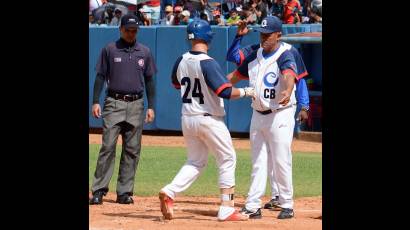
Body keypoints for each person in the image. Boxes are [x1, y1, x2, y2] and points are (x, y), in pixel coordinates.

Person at [158, 19, 254, 222]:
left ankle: (170, 191)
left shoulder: (180, 60)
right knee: (227, 158)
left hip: (188, 118)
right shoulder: (208, 62)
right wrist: (248, 91)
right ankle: (227, 208)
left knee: (195, 161)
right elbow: (226, 91)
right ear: (208, 37)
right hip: (209, 119)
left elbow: (177, 84)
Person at [226, 18, 309, 210]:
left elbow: (291, 75)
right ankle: (252, 205)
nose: (263, 37)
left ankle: (286, 202)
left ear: (278, 34)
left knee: (281, 160)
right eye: (261, 33)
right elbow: (234, 73)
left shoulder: (287, 53)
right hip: (257, 113)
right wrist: (215, 86)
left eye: (268, 34)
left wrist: (294, 96)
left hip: (280, 113)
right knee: (258, 162)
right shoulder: (255, 53)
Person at [89, 14, 157, 205]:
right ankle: (99, 191)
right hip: (114, 102)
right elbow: (100, 76)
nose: (130, 33)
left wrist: (151, 106)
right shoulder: (110, 49)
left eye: (134, 30)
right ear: (120, 29)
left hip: (136, 104)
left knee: (132, 150)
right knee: (107, 147)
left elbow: (150, 80)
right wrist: (95, 101)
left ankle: (124, 192)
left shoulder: (144, 51)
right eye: (128, 30)